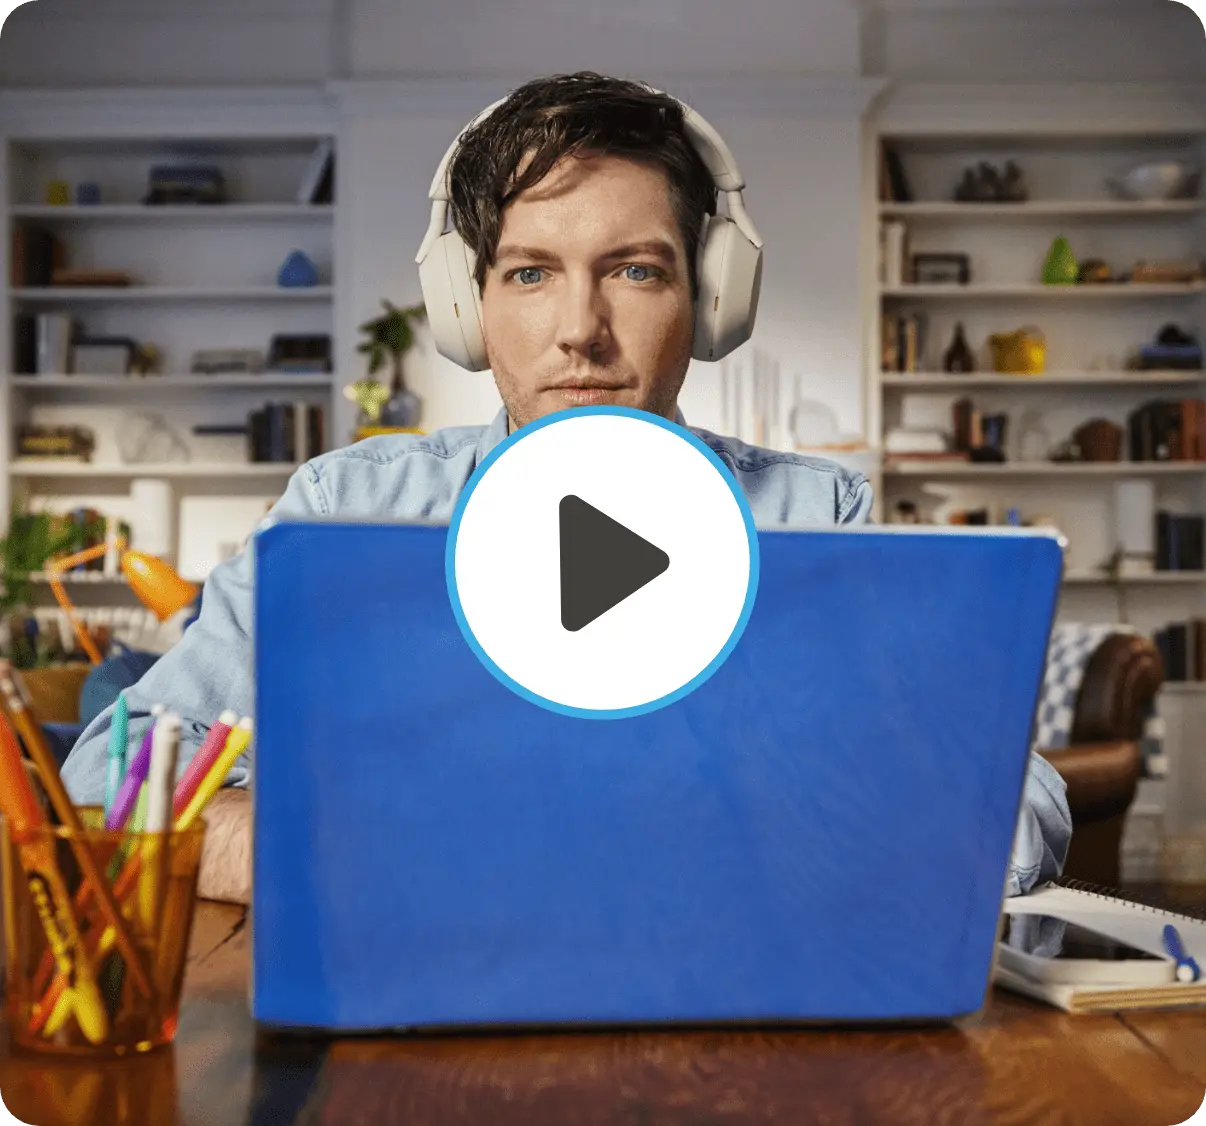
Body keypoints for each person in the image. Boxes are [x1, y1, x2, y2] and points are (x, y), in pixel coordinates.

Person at [60, 71, 1071, 900]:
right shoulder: (348, 507)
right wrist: (328, 840)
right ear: (468, 306)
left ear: (711, 300)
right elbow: (112, 773)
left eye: (635, 270)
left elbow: (1018, 806)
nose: (579, 329)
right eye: (530, 272)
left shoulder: (818, 515)